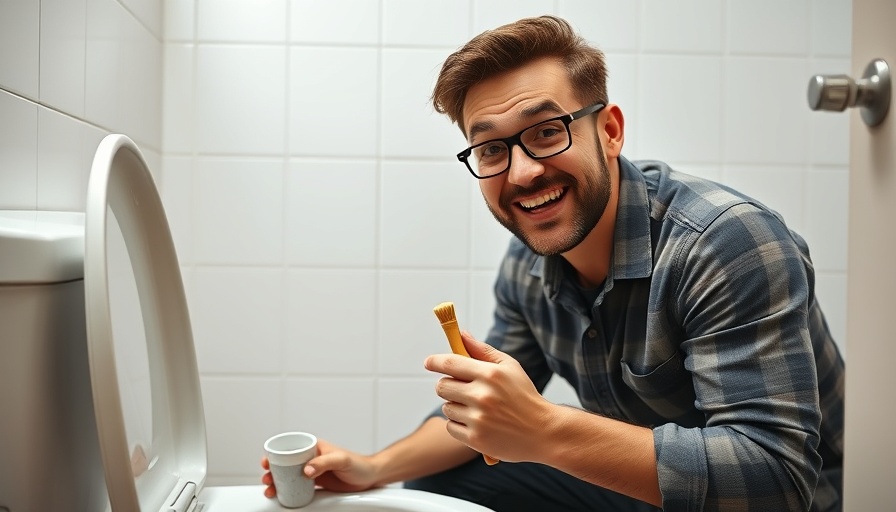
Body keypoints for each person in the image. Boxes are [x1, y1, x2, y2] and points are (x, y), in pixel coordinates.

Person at [262, 15, 844, 512]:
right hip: (647, 492)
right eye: (492, 148)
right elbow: (490, 412)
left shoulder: (725, 243)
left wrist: (543, 429)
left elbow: (777, 480)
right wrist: (372, 468)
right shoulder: (527, 263)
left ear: (609, 131)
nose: (522, 173)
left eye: (546, 132)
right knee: (438, 485)